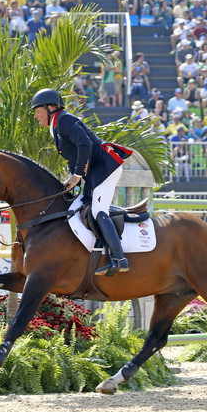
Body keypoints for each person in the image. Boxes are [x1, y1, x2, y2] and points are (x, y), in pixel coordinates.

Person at [29, 88, 132, 275]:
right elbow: (74, 155)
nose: (36, 116)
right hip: (94, 172)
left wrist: (77, 175)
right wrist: (71, 178)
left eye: (37, 111)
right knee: (81, 206)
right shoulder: (57, 125)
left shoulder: (65, 120)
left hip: (105, 168)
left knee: (98, 210)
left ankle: (119, 258)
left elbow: (85, 144)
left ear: (50, 107)